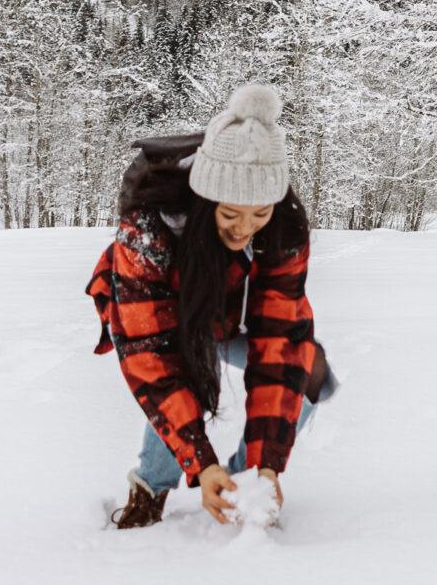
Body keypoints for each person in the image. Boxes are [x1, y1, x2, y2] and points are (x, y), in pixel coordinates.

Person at [86, 84, 336, 530]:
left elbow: (281, 342)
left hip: (234, 317)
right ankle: (151, 489)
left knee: (308, 368)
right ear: (206, 200)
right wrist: (202, 463)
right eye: (231, 215)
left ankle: (241, 483)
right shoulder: (149, 228)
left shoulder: (284, 226)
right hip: (167, 316)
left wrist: (267, 466)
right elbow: (152, 360)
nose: (246, 228)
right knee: (184, 374)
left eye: (260, 214)